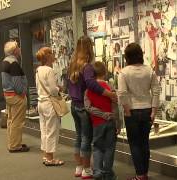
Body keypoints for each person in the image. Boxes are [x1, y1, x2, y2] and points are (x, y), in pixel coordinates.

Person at [68, 35, 117, 179]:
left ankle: (79, 167)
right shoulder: (87, 67)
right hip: (83, 107)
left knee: (78, 136)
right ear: (90, 48)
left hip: (74, 105)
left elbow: (69, 85)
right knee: (86, 137)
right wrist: (107, 93)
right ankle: (86, 168)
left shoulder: (72, 64)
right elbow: (90, 83)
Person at [118, 43, 160, 180]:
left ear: (127, 56)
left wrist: (126, 110)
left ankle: (140, 175)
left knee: (135, 143)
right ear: (140, 54)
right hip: (147, 109)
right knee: (144, 143)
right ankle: (145, 173)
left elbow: (122, 93)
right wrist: (154, 111)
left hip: (132, 111)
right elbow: (156, 91)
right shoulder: (149, 71)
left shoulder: (124, 72)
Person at [84, 62, 121, 180]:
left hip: (97, 123)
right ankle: (108, 172)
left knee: (97, 147)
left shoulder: (88, 90)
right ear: (105, 73)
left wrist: (101, 114)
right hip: (110, 122)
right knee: (110, 148)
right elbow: (115, 108)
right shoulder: (110, 88)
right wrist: (118, 123)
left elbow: (88, 107)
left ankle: (97, 171)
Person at [36, 47, 64, 166]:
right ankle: (50, 158)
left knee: (44, 130)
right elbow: (53, 90)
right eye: (51, 53)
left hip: (40, 102)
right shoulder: (49, 70)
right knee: (52, 130)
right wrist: (59, 88)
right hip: (49, 103)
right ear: (47, 56)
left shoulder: (38, 69)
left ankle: (45, 155)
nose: (53, 55)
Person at [1, 41, 29, 153]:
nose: (20, 49)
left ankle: (12, 142)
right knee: (17, 121)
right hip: (16, 96)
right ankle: (15, 145)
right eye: (18, 47)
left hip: (8, 95)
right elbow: (17, 82)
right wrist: (22, 92)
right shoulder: (14, 63)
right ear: (14, 50)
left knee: (11, 120)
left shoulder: (5, 61)